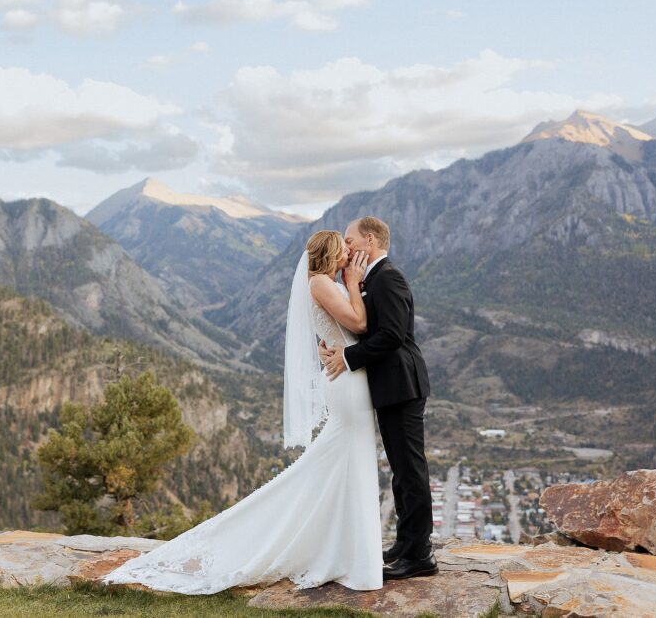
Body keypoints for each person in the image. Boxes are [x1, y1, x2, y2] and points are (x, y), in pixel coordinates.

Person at [102, 229, 383, 593]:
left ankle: (344, 549)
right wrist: (353, 280)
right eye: (344, 250)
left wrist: (347, 294)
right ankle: (343, 554)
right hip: (346, 383)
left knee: (346, 461)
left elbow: (343, 331)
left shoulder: (327, 282)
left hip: (348, 375)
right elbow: (359, 325)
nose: (350, 254)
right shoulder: (324, 283)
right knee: (342, 458)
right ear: (332, 254)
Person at [319, 216, 435, 580]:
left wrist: (348, 358)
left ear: (369, 240)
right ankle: (406, 542)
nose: (347, 246)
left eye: (351, 239)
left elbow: (392, 335)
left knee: (411, 471)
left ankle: (421, 555)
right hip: (389, 387)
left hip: (403, 385)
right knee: (400, 472)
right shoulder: (372, 279)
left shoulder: (388, 277)